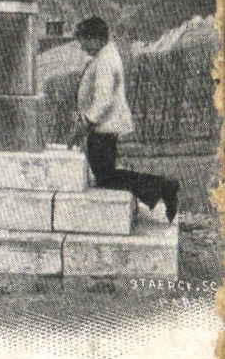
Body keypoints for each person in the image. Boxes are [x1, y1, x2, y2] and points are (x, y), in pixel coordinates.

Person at [70, 16, 179, 223]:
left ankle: (163, 187)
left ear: (94, 39)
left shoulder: (104, 60)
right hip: (104, 126)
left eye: (83, 42)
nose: (83, 48)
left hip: (103, 128)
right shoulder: (107, 54)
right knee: (106, 176)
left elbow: (103, 99)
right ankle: (160, 188)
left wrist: (86, 125)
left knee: (106, 177)